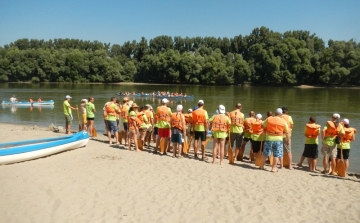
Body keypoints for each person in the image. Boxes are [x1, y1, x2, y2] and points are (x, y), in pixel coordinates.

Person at [259, 108, 289, 172]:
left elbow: (262, 127)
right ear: (281, 114)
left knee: (265, 153)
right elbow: (287, 132)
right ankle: (273, 168)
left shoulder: (269, 119)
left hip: (269, 138)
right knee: (277, 154)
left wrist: (265, 129)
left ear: (275, 113)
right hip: (278, 139)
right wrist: (288, 140)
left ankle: (262, 166)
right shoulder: (283, 121)